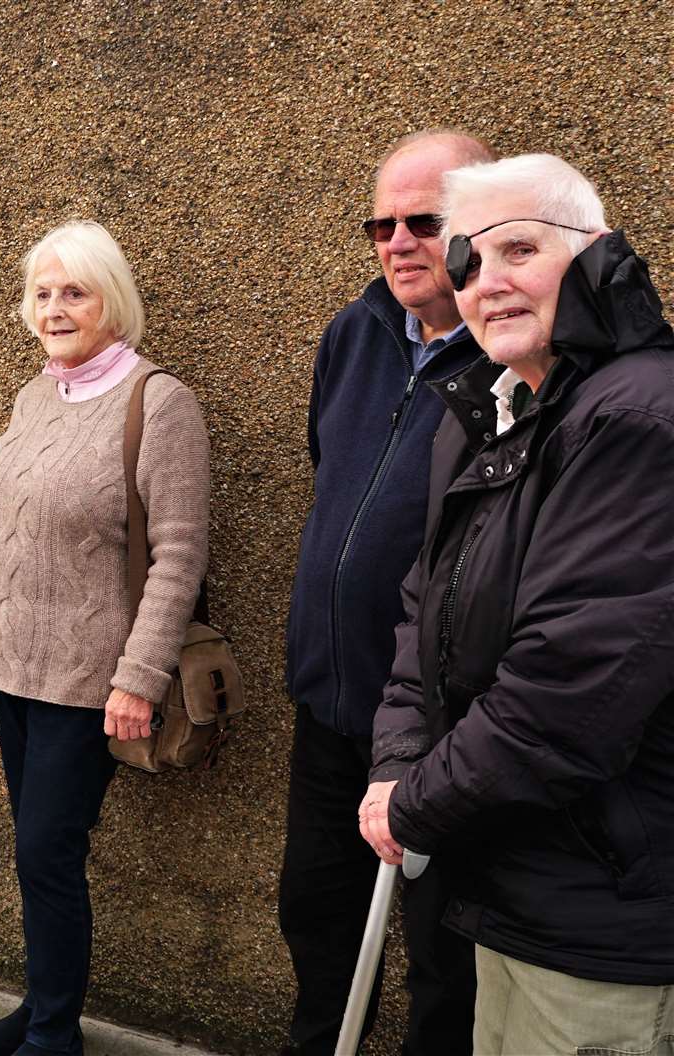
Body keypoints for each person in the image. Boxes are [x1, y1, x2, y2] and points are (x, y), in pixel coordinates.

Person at [360, 154, 674, 1053]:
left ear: (598, 254)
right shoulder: (496, 415)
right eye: (470, 262)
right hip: (511, 884)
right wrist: (397, 757)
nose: (487, 283)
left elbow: (571, 690)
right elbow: (426, 612)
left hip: (601, 913)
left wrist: (415, 802)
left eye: (520, 250)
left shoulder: (637, 420)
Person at [0, 221, 209, 1056]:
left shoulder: (157, 401)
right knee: (35, 855)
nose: (55, 309)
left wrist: (139, 677)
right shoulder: (34, 396)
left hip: (88, 679)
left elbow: (179, 554)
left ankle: (54, 1033)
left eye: (75, 292)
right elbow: (1, 535)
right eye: (43, 293)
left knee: (48, 853)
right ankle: (39, 1008)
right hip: (12, 664)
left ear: (112, 302)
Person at [278, 129, 492, 1054]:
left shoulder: (511, 366)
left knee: (445, 952)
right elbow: (334, 473)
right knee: (315, 910)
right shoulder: (353, 334)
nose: (397, 242)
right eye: (381, 223)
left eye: (423, 221)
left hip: (444, 728)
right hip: (332, 706)